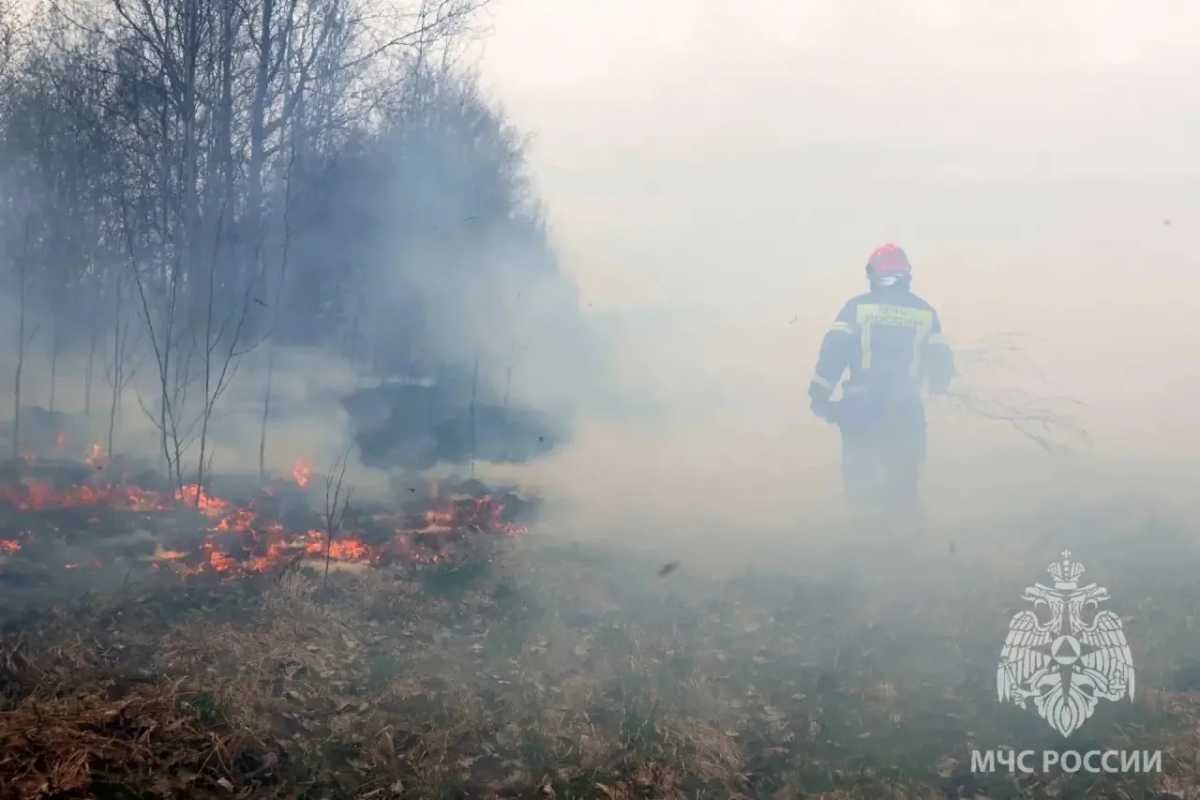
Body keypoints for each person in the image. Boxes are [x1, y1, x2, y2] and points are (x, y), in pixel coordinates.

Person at [808, 244, 954, 518]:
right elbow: (940, 361)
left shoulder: (856, 308)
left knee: (859, 481)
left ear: (872, 274)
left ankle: (863, 543)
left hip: (861, 408)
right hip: (906, 411)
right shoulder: (925, 312)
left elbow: (834, 351)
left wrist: (819, 393)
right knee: (904, 484)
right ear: (907, 275)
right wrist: (938, 386)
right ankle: (904, 546)